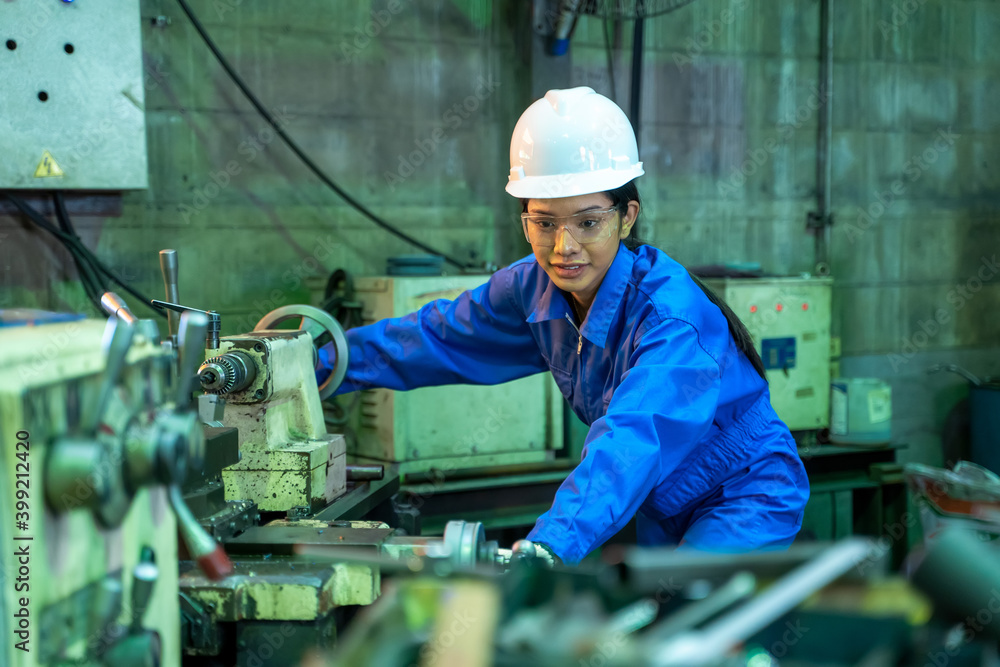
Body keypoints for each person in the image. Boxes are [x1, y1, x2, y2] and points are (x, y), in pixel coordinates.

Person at [318, 87, 809, 565]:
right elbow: (434, 337)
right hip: (662, 497)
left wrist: (548, 546)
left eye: (588, 222)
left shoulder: (671, 319)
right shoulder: (531, 288)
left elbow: (633, 438)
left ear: (626, 217)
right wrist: (317, 363)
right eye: (545, 223)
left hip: (744, 491)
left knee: (693, 626)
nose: (563, 248)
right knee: (665, 625)